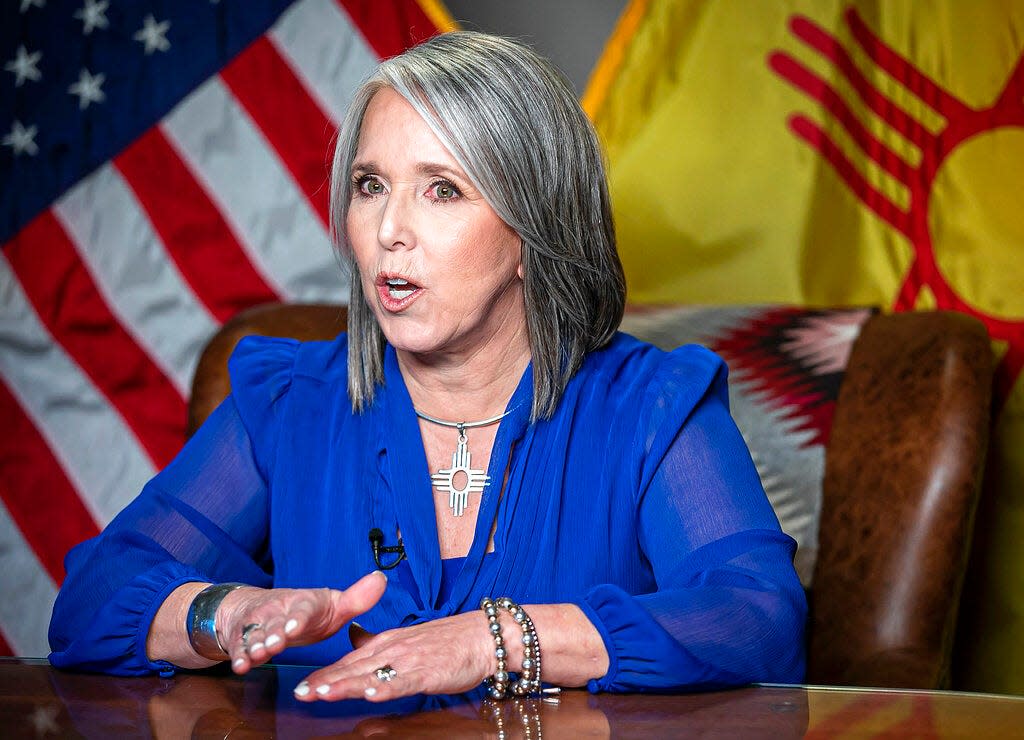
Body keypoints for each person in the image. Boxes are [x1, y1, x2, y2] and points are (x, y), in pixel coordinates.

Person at [48, 31, 806, 700]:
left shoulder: (650, 408)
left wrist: (493, 641)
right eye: (369, 185)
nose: (388, 230)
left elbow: (757, 618)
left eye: (442, 190)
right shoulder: (287, 404)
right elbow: (89, 601)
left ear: (533, 229)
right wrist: (228, 614)